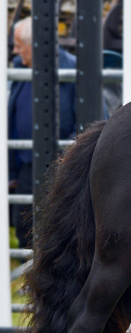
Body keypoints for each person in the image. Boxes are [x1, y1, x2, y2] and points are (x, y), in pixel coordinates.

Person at [9, 17, 77, 248]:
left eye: (18, 45)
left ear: (34, 44)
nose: (15, 51)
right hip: (26, 164)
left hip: (62, 165)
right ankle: (26, 276)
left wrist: (65, 157)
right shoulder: (20, 69)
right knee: (23, 226)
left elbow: (92, 122)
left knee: (58, 230)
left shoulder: (73, 70)